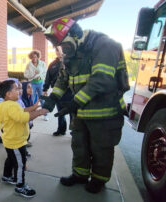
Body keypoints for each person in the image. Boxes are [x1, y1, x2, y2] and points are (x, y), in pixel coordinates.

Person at [43, 17, 130, 193]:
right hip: (81, 112)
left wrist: (75, 102)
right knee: (79, 144)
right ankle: (80, 175)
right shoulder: (71, 53)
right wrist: (52, 99)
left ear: (75, 34)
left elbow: (101, 80)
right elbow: (63, 79)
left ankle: (99, 179)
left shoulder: (104, 45)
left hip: (104, 112)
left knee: (101, 147)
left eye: (64, 45)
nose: (63, 50)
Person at [0, 80, 47, 198]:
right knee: (20, 164)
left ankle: (6, 176)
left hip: (9, 140)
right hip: (16, 142)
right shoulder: (12, 106)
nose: (20, 91)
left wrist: (34, 107)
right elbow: (22, 118)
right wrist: (40, 112)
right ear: (8, 94)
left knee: (11, 159)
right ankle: (20, 186)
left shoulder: (4, 105)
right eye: (16, 89)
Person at [43, 46, 72, 136]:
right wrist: (45, 89)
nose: (59, 52)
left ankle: (74, 132)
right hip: (57, 92)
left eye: (60, 50)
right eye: (57, 50)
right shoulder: (52, 64)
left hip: (69, 92)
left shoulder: (70, 62)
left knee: (72, 112)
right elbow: (48, 77)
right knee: (60, 112)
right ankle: (61, 130)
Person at [23, 50, 48, 121]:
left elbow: (45, 73)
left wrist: (41, 77)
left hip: (40, 83)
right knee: (32, 99)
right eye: (33, 57)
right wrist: (33, 74)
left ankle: (45, 114)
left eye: (35, 57)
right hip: (32, 83)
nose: (34, 59)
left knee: (42, 98)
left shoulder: (42, 64)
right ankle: (32, 114)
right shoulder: (29, 65)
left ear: (38, 57)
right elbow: (25, 74)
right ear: (31, 57)